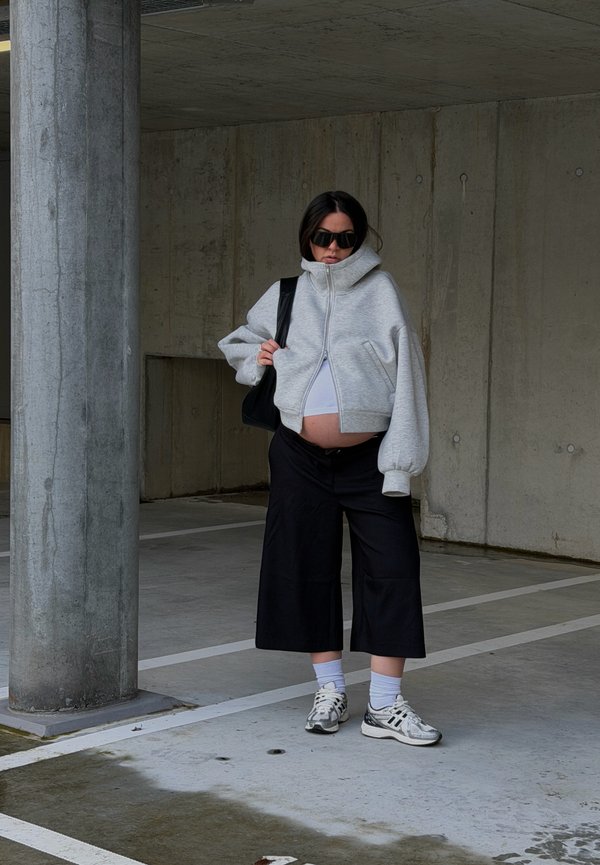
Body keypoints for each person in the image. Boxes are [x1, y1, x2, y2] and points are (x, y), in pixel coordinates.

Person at [218, 190, 441, 746]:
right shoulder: (288, 293)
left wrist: (400, 465)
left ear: (359, 238)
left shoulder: (382, 292)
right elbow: (240, 342)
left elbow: (409, 380)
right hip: (298, 456)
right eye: (324, 237)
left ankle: (385, 705)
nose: (334, 248)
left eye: (346, 237)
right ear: (308, 238)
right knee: (305, 565)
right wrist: (257, 358)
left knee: (392, 569)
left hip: (370, 459)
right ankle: (330, 689)